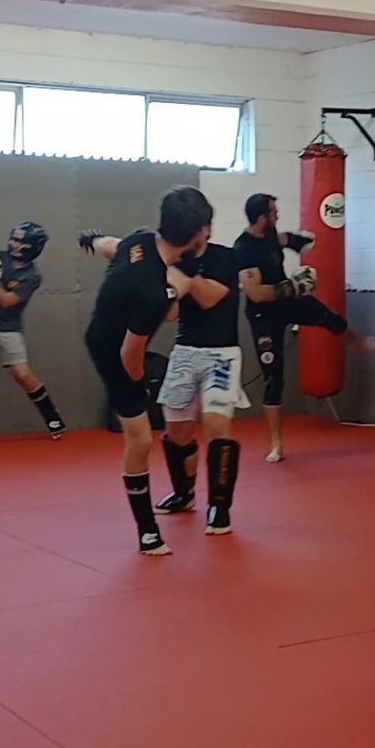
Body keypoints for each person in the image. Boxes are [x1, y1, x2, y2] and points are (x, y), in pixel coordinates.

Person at [80, 185, 210, 556]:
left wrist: (91, 241)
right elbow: (130, 352)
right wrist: (138, 389)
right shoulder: (152, 293)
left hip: (121, 321)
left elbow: (112, 246)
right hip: (111, 350)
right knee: (140, 440)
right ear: (198, 232)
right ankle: (147, 532)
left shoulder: (140, 241)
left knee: (172, 295)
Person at [234, 193, 352, 463]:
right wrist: (294, 286)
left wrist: (304, 240)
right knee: (273, 378)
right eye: (273, 212)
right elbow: (256, 294)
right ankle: (276, 444)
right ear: (261, 218)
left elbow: (285, 239)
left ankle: (365, 345)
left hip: (287, 304)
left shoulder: (271, 235)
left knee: (330, 318)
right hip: (264, 316)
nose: (277, 215)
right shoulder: (244, 249)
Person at [154, 204, 247, 535]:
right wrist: (169, 283)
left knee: (216, 423)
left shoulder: (226, 258)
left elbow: (209, 298)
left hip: (221, 354)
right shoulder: (174, 259)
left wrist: (187, 277)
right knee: (176, 431)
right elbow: (169, 315)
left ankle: (220, 506)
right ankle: (184, 492)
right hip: (184, 352)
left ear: (206, 229)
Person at [0, 223, 65, 444]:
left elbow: (8, 302)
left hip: (8, 327)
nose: (13, 244)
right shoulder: (0, 257)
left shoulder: (32, 276)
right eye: (14, 239)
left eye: (19, 241)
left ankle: (53, 418)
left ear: (31, 246)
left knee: (22, 373)